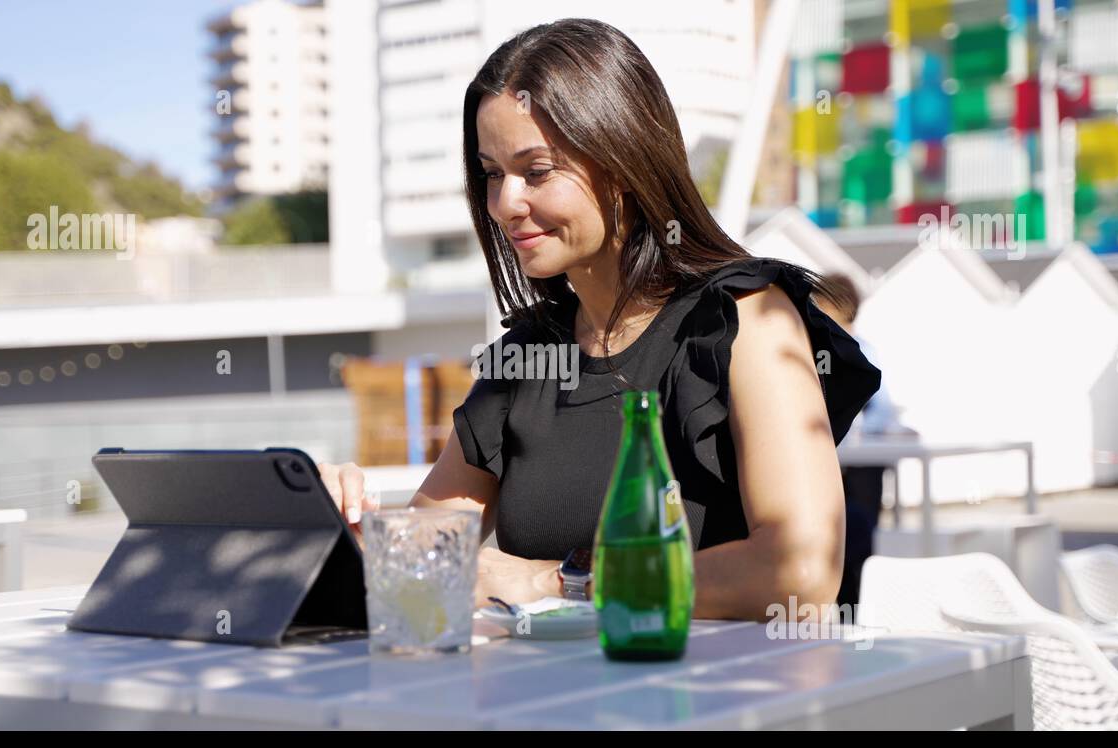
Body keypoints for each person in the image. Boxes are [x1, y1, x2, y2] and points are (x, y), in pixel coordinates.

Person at [316, 18, 881, 621]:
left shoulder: (747, 317)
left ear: (624, 160)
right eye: (491, 174)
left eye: (537, 171)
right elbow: (427, 558)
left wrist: (558, 584)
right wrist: (334, 522)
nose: (506, 203)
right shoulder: (527, 357)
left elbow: (799, 572)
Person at [812, 273, 915, 611]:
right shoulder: (813, 351)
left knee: (859, 542)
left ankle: (855, 613)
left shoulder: (864, 352)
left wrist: (853, 427)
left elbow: (881, 411)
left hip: (860, 467)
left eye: (822, 305)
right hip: (830, 463)